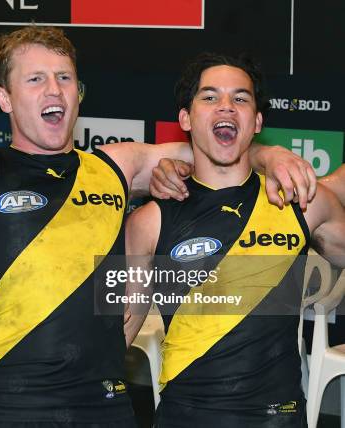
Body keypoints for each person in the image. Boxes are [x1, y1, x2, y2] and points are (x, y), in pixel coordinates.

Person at [0, 27, 315, 427]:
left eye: (65, 78)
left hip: (104, 404)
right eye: (36, 79)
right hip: (4, 407)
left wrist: (271, 154)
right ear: (4, 99)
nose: (55, 90)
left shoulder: (116, 166)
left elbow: (217, 143)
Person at [125, 52, 345, 427]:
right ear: (185, 118)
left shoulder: (303, 205)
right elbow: (119, 330)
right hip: (186, 418)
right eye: (209, 97)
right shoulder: (148, 221)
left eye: (241, 98)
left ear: (256, 121)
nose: (226, 106)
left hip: (278, 418)